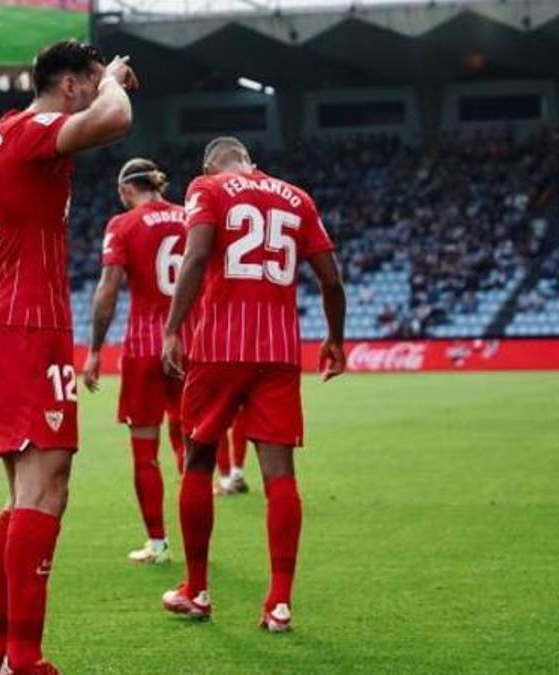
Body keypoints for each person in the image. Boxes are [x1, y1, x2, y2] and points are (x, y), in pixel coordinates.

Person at [0, 40, 137, 675]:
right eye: (90, 82)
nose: (97, 91)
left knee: (23, 497)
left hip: (6, 319)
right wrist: (114, 81)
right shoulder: (36, 127)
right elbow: (114, 120)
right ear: (69, 86)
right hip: (26, 325)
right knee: (47, 490)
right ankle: (23, 660)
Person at [159, 137, 347, 630]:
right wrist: (336, 339)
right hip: (279, 351)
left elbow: (197, 257)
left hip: (219, 348)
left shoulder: (208, 188)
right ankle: (279, 603)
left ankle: (196, 591)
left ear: (209, 164)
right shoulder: (297, 197)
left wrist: (174, 327)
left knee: (198, 460)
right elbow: (331, 279)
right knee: (280, 474)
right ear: (250, 161)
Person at [82, 158, 186, 565]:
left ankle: (158, 544)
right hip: (190, 344)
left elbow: (108, 291)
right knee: (194, 446)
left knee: (146, 452)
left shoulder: (123, 226)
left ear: (127, 190)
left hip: (145, 347)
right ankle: (198, 540)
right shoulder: (191, 216)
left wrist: (94, 349)